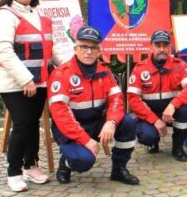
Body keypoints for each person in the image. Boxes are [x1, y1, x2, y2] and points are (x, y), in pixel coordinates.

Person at [0, 0, 72, 192]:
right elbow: (3, 50)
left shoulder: (39, 14)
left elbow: (51, 48)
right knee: (22, 123)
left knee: (33, 123)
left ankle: (30, 165)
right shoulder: (5, 15)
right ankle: (14, 171)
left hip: (40, 81)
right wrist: (25, 78)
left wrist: (71, 66)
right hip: (14, 82)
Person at [47, 26, 140, 185]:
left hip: (96, 122)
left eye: (93, 47)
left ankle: (119, 169)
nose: (89, 51)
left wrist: (111, 122)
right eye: (84, 46)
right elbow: (60, 114)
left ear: (99, 51)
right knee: (84, 161)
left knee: (128, 123)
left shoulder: (105, 71)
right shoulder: (62, 74)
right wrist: (86, 140)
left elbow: (117, 99)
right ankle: (66, 163)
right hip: (70, 130)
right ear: (75, 49)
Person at [129, 30, 187, 162]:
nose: (162, 49)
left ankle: (177, 147)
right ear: (151, 46)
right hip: (150, 114)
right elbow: (133, 100)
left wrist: (173, 105)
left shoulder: (180, 66)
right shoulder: (139, 69)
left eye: (165, 45)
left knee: (184, 111)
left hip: (172, 112)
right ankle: (152, 142)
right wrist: (155, 120)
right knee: (147, 136)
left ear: (170, 47)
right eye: (158, 45)